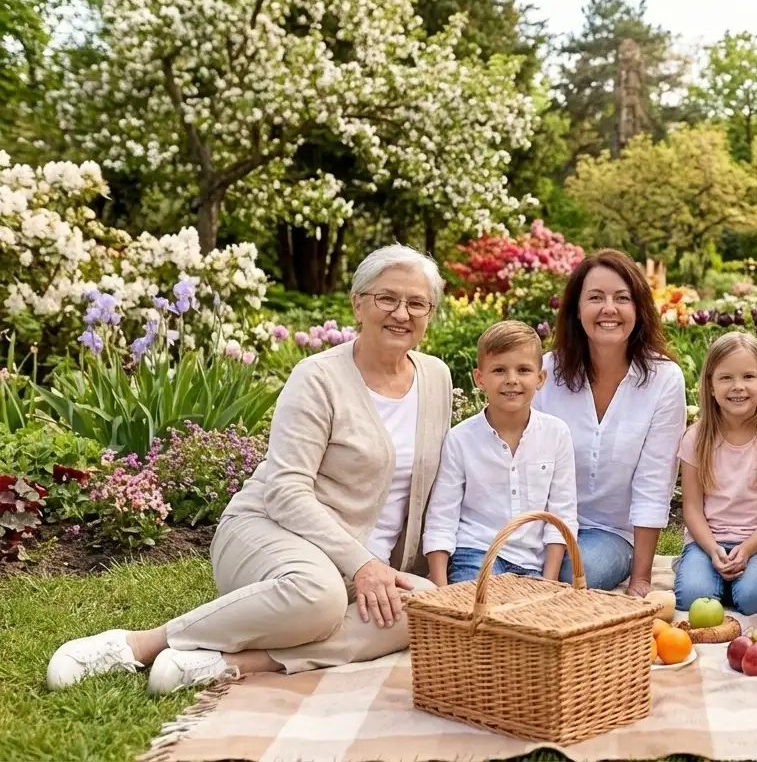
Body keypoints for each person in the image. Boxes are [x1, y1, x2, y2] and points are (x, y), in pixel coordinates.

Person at [46, 245, 455, 695]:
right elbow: (285, 491)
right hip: (270, 532)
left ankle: (230, 662)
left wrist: (397, 569)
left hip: (363, 565)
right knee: (320, 598)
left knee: (428, 610)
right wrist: (362, 564)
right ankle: (139, 644)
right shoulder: (317, 377)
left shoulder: (435, 377)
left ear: (429, 313)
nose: (402, 313)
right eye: (387, 298)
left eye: (417, 303)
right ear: (358, 304)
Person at [534, 249, 687, 595]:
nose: (609, 309)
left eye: (622, 298)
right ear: (575, 308)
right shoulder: (546, 372)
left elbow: (654, 483)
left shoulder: (664, 380)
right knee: (509, 565)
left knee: (571, 574)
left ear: (639, 309)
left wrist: (642, 580)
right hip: (543, 526)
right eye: (595, 298)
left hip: (610, 534)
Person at [423, 321, 577, 586]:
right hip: (476, 556)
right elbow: (442, 516)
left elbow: (562, 514)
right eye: (499, 370)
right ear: (479, 379)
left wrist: (548, 584)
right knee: (475, 616)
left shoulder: (557, 434)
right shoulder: (460, 439)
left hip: (533, 562)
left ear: (540, 379)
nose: (511, 380)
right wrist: (440, 590)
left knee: (529, 622)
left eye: (523, 370)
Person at [675, 332, 757, 615]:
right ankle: (712, 577)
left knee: (755, 599)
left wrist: (746, 549)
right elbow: (692, 507)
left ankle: (733, 584)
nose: (737, 387)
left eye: (748, 377)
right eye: (726, 378)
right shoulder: (695, 438)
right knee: (692, 596)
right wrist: (711, 549)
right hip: (707, 541)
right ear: (710, 385)